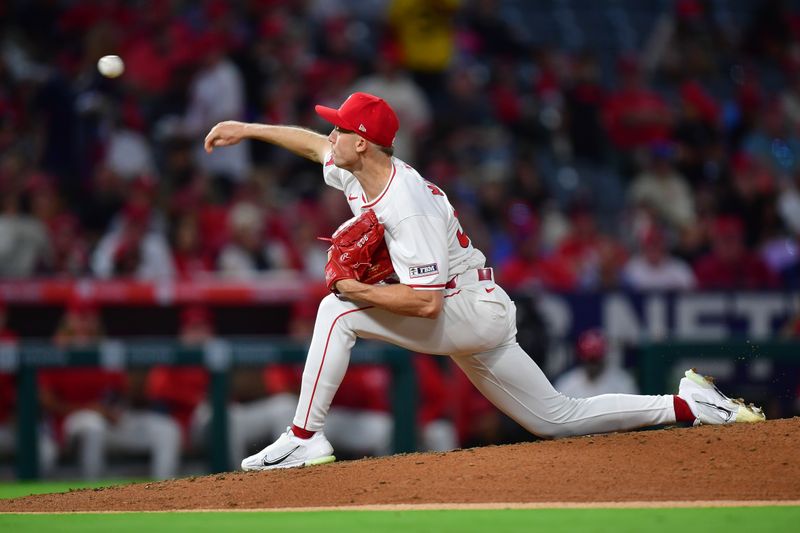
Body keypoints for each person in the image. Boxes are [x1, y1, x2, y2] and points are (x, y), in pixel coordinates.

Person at [203, 92, 765, 471]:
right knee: (555, 418)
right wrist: (249, 129)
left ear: (364, 142)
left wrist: (358, 291)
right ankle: (687, 405)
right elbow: (310, 144)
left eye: (340, 127)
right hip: (476, 307)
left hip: (460, 307)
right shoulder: (358, 168)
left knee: (337, 313)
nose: (330, 134)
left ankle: (303, 439)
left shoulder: (406, 203)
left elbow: (423, 305)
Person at [554, 329, 639, 399]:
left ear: (603, 358)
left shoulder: (622, 382)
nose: (593, 365)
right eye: (590, 360)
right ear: (582, 359)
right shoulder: (567, 384)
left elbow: (635, 415)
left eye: (596, 359)